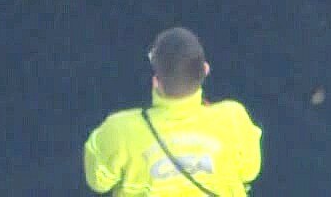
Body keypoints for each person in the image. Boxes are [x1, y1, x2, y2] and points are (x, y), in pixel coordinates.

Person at [83, 27, 262, 197]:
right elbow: (250, 171)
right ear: (205, 70)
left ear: (156, 81)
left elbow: (97, 181)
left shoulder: (119, 129)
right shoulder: (233, 118)